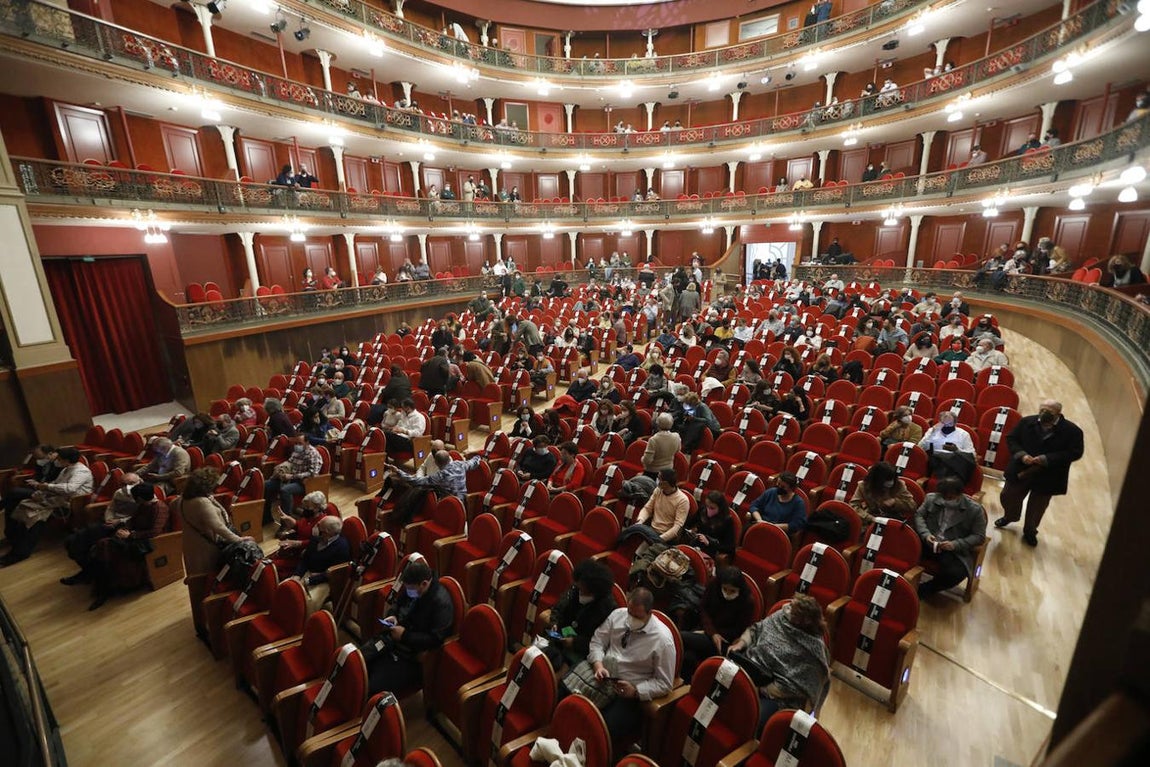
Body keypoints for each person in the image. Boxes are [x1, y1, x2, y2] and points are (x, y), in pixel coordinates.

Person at [575, 587, 675, 744]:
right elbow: (597, 641)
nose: (631, 618)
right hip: (603, 675)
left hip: (628, 693)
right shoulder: (618, 615)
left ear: (650, 613)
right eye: (630, 612)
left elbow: (664, 683)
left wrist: (636, 691)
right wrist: (598, 665)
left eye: (637, 616)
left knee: (600, 730)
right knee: (569, 698)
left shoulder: (663, 640)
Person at [726, 594, 830, 730]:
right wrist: (741, 643)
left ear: (803, 621)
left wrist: (760, 689)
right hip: (750, 669)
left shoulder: (813, 648)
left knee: (749, 719)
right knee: (721, 697)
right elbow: (756, 629)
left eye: (792, 611)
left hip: (778, 695)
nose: (787, 610)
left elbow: (795, 686)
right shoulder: (782, 615)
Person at [995, 400, 1084, 547]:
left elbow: (1075, 452)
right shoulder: (1026, 422)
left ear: (1058, 414)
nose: (1044, 413)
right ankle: (1010, 516)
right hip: (1021, 468)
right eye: (1042, 409)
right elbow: (1012, 439)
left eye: (1049, 411)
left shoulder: (1073, 431)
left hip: (1048, 474)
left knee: (1037, 507)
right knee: (1008, 495)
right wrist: (1022, 454)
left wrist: (1046, 459)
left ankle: (1030, 530)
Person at [363, 560, 454, 695]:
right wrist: (393, 615)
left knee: (372, 689)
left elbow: (435, 639)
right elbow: (397, 604)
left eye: (410, 589)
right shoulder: (412, 587)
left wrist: (405, 635)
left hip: (411, 656)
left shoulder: (441, 603)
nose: (407, 592)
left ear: (424, 584)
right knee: (358, 665)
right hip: (391, 641)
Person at [2, 448, 93, 567]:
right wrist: (40, 487)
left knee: (36, 517)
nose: (57, 460)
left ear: (66, 460)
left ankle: (20, 553)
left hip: (69, 503)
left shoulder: (81, 471)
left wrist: (46, 487)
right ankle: (16, 543)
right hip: (56, 498)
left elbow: (69, 489)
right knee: (24, 507)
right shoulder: (67, 468)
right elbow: (56, 483)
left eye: (59, 459)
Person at [913, 477, 987, 598]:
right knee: (902, 549)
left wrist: (955, 544)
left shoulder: (974, 510)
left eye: (951, 498)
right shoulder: (932, 498)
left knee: (956, 573)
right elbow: (919, 516)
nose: (946, 500)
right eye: (944, 497)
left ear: (960, 495)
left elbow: (979, 536)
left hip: (952, 549)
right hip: (928, 542)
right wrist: (926, 534)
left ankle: (923, 590)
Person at [540, 559, 616, 673]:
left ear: (594, 591)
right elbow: (558, 608)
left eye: (582, 590)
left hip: (581, 653)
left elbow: (600, 642)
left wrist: (575, 643)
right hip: (559, 638)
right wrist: (554, 622)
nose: (579, 591)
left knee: (556, 672)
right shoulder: (575, 589)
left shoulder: (608, 609)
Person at [680, 566, 755, 680]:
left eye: (733, 591)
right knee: (688, 657)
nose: (728, 594)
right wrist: (711, 632)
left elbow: (738, 629)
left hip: (724, 641)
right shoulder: (714, 585)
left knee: (681, 637)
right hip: (707, 630)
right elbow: (703, 608)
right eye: (725, 589)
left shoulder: (747, 601)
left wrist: (711, 633)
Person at [175, 467, 245, 578]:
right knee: (208, 578)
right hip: (205, 547)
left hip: (190, 545)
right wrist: (238, 539)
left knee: (195, 579)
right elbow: (218, 527)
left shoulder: (182, 498)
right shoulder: (202, 502)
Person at [292, 516, 350, 613]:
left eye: (319, 527)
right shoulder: (316, 538)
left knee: (308, 602)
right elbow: (305, 559)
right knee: (287, 587)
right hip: (308, 572)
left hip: (324, 581)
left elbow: (332, 573)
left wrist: (308, 581)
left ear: (327, 532)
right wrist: (297, 575)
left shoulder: (342, 547)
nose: (316, 528)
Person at [263, 435, 324, 523]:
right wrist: (281, 468)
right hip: (290, 478)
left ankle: (286, 523)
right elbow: (289, 462)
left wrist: (292, 476)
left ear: (307, 443)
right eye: (296, 443)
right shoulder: (296, 451)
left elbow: (312, 473)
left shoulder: (313, 453)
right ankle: (267, 517)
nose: (297, 445)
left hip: (304, 483)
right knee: (267, 485)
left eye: (300, 443)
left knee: (285, 490)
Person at [0, 444, 59, 517]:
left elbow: (56, 481)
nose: (38, 460)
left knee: (13, 492)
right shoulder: (40, 463)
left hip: (46, 490)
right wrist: (34, 481)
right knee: (12, 502)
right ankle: (11, 527)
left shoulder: (58, 464)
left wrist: (40, 484)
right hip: (37, 487)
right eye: (37, 458)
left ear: (50, 454)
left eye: (41, 458)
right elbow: (38, 476)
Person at [850, 461, 917, 526]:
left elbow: (912, 506)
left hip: (893, 520)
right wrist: (870, 518)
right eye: (887, 480)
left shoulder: (899, 485)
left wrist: (895, 502)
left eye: (892, 479)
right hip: (872, 518)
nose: (891, 483)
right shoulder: (864, 485)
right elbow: (853, 506)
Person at [633, 469, 690, 544]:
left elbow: (676, 527)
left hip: (665, 537)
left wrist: (658, 539)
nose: (657, 480)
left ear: (665, 483)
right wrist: (640, 521)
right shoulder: (658, 490)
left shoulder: (683, 500)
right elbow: (647, 509)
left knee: (642, 553)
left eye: (659, 478)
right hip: (651, 530)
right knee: (630, 536)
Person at [919, 411, 976, 483]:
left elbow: (972, 454)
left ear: (955, 423)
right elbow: (920, 448)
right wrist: (932, 433)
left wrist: (957, 450)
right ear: (939, 422)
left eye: (950, 424)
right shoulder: (932, 431)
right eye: (944, 424)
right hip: (935, 461)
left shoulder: (963, 434)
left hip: (955, 462)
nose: (947, 426)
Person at [684, 491, 736, 562]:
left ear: (720, 508)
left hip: (712, 550)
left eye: (712, 508)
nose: (708, 510)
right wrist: (690, 532)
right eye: (707, 506)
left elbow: (729, 547)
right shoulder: (703, 510)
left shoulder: (727, 521)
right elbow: (689, 523)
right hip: (696, 543)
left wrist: (709, 543)